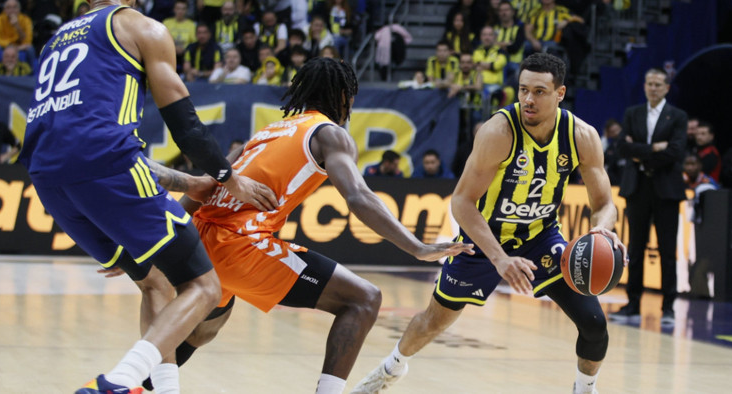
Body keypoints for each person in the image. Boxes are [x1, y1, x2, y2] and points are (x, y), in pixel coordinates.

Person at [17, 0, 277, 393]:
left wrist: (189, 183)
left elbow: (81, 140)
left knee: (154, 281)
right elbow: (186, 127)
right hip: (106, 168)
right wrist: (229, 179)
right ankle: (118, 381)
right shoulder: (141, 27)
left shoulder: (55, 41)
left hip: (48, 178)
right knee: (204, 286)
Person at [140, 57, 474, 394]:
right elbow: (358, 196)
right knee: (363, 299)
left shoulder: (268, 131)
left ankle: (136, 384)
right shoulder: (330, 134)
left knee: (203, 330)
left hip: (201, 237)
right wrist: (417, 247)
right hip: (239, 243)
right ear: (344, 97)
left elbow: (205, 187)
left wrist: (167, 241)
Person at [352, 53, 627, 394]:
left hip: (541, 236)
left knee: (594, 323)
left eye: (539, 91)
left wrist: (602, 229)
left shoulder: (581, 135)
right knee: (433, 321)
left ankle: (584, 389)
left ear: (560, 93)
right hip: (484, 239)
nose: (528, 99)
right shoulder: (498, 131)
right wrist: (500, 258)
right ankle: (391, 367)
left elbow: (604, 204)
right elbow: (461, 201)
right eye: (523, 89)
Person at [610, 68, 687, 325]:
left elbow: (676, 151)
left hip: (666, 190)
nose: (653, 88)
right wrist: (654, 148)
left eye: (658, 84)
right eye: (649, 83)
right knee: (635, 247)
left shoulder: (678, 116)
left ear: (666, 88)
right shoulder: (633, 113)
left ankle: (668, 307)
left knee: (667, 250)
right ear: (644, 86)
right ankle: (632, 304)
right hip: (638, 188)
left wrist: (640, 153)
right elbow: (622, 147)